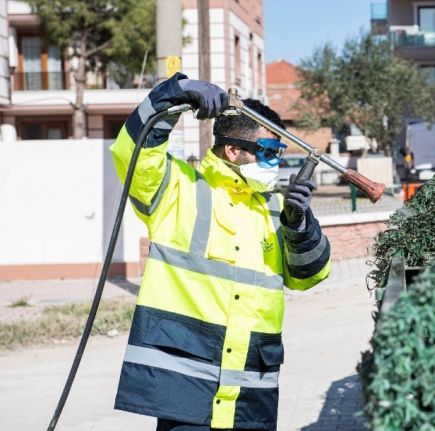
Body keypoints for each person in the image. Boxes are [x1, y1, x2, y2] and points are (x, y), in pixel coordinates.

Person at [109, 73, 331, 431]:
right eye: (270, 152)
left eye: (280, 153)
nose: (276, 163)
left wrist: (299, 225)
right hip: (185, 393)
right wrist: (172, 95)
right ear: (233, 150)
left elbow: (310, 276)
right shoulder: (176, 190)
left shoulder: (276, 207)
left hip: (250, 396)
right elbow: (132, 152)